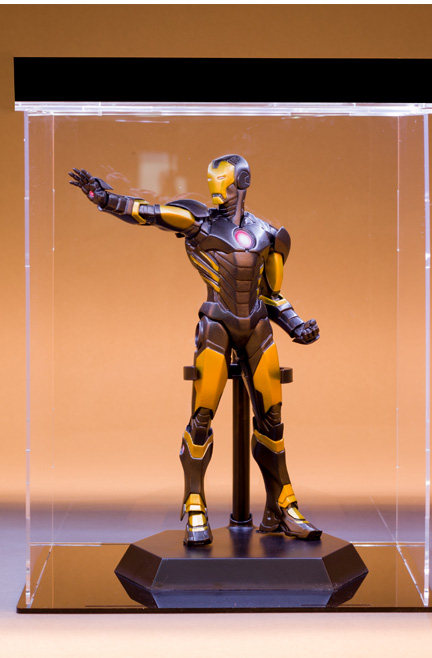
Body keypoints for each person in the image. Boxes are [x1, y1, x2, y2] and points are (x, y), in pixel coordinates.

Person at [69, 154, 321, 546]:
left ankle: (283, 507)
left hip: (258, 329)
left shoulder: (269, 234)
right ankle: (194, 505)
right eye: (214, 180)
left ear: (241, 181)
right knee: (202, 417)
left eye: (224, 180)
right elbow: (148, 213)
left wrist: (297, 326)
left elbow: (272, 294)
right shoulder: (198, 220)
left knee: (272, 420)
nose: (217, 187)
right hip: (217, 327)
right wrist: (103, 198)